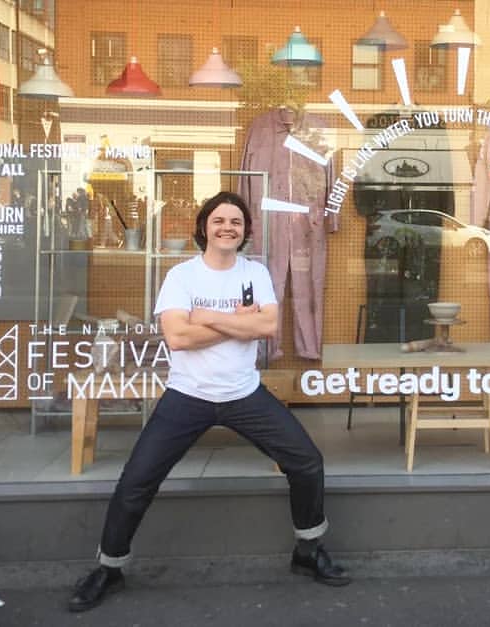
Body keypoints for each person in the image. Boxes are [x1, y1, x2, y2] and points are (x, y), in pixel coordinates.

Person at [69, 191, 349, 613]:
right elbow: (178, 338)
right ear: (204, 227)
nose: (227, 228)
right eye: (219, 220)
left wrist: (208, 317)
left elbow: (269, 325)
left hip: (244, 394)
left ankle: (307, 550)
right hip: (187, 396)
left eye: (236, 222)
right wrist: (241, 324)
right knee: (136, 481)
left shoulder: (254, 274)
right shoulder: (182, 276)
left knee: (306, 462)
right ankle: (109, 568)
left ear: (245, 231)